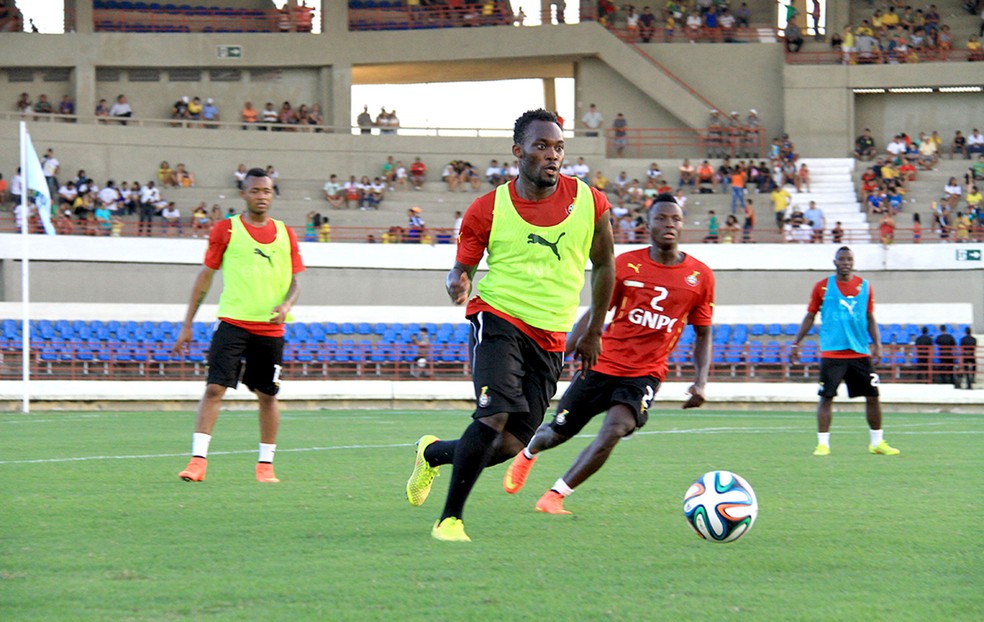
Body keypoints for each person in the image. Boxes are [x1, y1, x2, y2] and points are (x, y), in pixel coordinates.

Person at [404, 109, 616, 542]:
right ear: (518, 151)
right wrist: (456, 284)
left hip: (551, 336)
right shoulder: (487, 209)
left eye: (558, 148)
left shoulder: (591, 203)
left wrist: (594, 328)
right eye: (541, 146)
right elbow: (458, 270)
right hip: (497, 316)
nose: (552, 156)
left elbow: (605, 263)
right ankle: (450, 520)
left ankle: (432, 453)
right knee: (494, 413)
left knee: (510, 444)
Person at [501, 193, 713, 513]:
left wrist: (701, 382)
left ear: (682, 226)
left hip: (645, 374)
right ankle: (528, 453)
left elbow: (703, 333)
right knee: (557, 433)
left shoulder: (700, 277)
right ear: (648, 225)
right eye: (661, 218)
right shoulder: (626, 265)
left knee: (614, 430)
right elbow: (594, 313)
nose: (669, 224)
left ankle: (554, 496)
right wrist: (560, 352)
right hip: (601, 363)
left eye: (676, 219)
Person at [173, 168, 304, 484]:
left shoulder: (286, 233)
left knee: (267, 395)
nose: (262, 196)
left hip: (271, 330)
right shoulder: (226, 230)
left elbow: (295, 282)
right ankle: (198, 462)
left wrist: (286, 306)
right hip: (233, 323)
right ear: (244, 194)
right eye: (256, 190)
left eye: (267, 191)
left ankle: (265, 466)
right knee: (215, 387)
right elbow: (205, 278)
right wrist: (187, 324)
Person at [789, 246, 900, 457]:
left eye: (849, 259)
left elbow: (870, 317)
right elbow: (810, 316)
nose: (846, 263)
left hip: (859, 352)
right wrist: (796, 343)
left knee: (873, 396)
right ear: (835, 262)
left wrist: (877, 343)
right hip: (832, 353)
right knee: (826, 397)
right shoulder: (822, 287)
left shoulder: (865, 286)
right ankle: (823, 444)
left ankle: (877, 443)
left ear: (853, 262)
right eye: (842, 259)